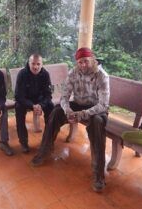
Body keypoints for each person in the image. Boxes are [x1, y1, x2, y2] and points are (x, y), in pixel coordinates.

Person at [30, 47, 110, 192]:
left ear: (92, 60)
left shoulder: (101, 75)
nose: (83, 65)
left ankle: (99, 174)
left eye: (85, 61)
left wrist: (82, 114)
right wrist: (68, 111)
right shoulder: (73, 73)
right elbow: (65, 97)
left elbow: (103, 105)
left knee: (97, 124)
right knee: (56, 112)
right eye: (80, 62)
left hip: (97, 109)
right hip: (78, 105)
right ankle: (45, 150)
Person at [15, 54, 54, 153]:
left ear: (42, 64)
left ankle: (48, 140)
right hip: (25, 100)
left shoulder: (45, 74)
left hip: (40, 100)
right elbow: (18, 96)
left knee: (50, 107)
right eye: (33, 64)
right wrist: (32, 105)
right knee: (18, 108)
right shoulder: (22, 74)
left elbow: (48, 95)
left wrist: (41, 105)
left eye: (38, 64)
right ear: (29, 63)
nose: (35, 67)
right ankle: (23, 142)